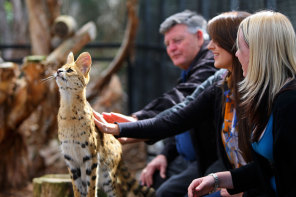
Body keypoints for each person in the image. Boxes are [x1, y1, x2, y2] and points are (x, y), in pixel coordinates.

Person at [94, 11, 253, 197]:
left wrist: (131, 124)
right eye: (168, 44)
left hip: (239, 176)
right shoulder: (221, 79)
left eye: (177, 40)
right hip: (221, 170)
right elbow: (181, 113)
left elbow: (178, 104)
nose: (211, 46)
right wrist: (127, 128)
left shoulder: (215, 67)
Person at [187, 10, 296, 197]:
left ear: (258, 50)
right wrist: (218, 179)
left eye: (240, 46)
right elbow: (269, 167)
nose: (236, 53)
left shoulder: (289, 103)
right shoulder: (270, 95)